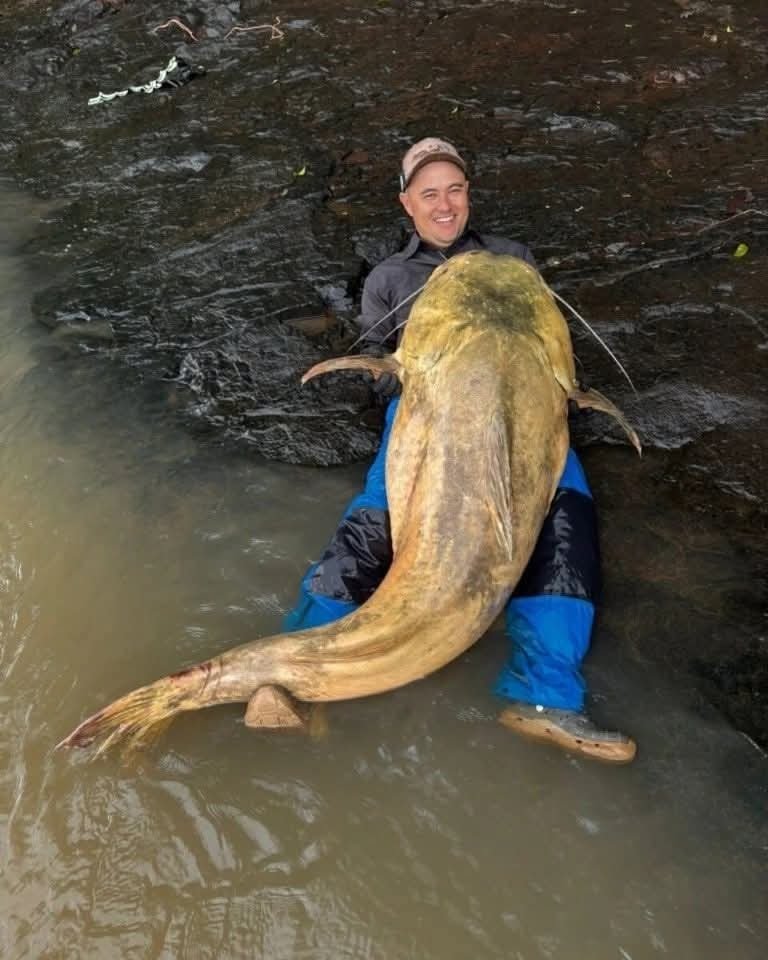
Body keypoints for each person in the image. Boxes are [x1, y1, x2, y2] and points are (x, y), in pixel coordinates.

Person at [284, 137, 636, 764]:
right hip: (432, 411)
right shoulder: (390, 278)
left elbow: (554, 348)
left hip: (529, 414)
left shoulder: (514, 257)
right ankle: (290, 673)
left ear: (468, 195)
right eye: (429, 193)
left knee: (567, 523)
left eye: (455, 189)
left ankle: (544, 698)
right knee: (377, 519)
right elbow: (389, 372)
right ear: (407, 203)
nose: (444, 204)